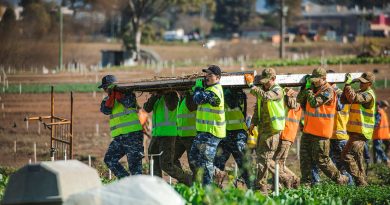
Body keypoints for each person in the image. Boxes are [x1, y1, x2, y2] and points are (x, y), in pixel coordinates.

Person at [297, 67, 348, 186]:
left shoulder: (328, 91)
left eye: (316, 80)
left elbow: (314, 103)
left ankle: (340, 179)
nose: (314, 82)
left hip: (321, 133)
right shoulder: (312, 89)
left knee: (322, 161)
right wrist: (304, 88)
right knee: (305, 159)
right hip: (308, 131)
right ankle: (306, 185)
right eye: (312, 79)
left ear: (324, 79)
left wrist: (309, 89)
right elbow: (299, 100)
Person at [245, 68, 286, 193]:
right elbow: (258, 109)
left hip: (272, 131)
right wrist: (253, 123)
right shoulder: (264, 90)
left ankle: (284, 179)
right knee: (261, 159)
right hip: (263, 131)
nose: (264, 84)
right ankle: (263, 187)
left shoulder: (277, 90)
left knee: (264, 159)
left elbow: (267, 97)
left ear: (274, 79)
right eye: (263, 82)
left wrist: (251, 86)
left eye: (267, 81)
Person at [99, 75, 144, 178]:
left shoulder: (128, 94)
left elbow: (128, 103)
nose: (105, 90)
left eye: (106, 88)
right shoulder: (107, 99)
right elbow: (105, 110)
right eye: (105, 89)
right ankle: (127, 182)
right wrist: (112, 95)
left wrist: (118, 93)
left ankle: (138, 189)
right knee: (109, 159)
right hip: (119, 137)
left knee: (135, 167)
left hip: (133, 135)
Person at [144, 91, 192, 185]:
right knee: (153, 159)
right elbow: (146, 108)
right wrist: (155, 96)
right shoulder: (157, 97)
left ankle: (188, 180)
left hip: (168, 134)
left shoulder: (172, 95)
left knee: (166, 165)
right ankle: (156, 184)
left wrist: (164, 94)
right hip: (157, 134)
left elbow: (171, 106)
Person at [189, 65, 225, 185]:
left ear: (218, 78)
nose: (207, 77)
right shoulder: (208, 90)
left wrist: (198, 88)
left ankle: (208, 188)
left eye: (210, 75)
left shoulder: (215, 91)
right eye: (206, 75)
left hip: (212, 132)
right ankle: (217, 173)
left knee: (205, 161)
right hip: (203, 132)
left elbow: (198, 99)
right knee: (193, 157)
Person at [341, 72, 376, 186]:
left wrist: (348, 85)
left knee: (346, 156)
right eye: (360, 81)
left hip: (361, 133)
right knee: (357, 160)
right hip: (355, 132)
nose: (360, 83)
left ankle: (361, 183)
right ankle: (362, 185)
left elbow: (354, 98)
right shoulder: (360, 92)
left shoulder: (368, 95)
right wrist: (347, 86)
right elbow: (344, 99)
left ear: (369, 84)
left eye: (363, 82)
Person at [214, 88, 251, 188]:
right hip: (226, 132)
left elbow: (232, 103)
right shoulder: (228, 93)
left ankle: (253, 189)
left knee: (243, 163)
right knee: (218, 163)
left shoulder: (237, 94)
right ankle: (216, 190)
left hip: (237, 133)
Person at [270, 87, 301, 188]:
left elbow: (291, 106)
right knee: (279, 163)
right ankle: (289, 182)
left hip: (286, 134)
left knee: (276, 163)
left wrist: (288, 95)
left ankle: (293, 179)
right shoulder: (296, 97)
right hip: (287, 134)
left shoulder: (292, 97)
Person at [175, 91, 197, 174]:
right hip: (181, 135)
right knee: (171, 159)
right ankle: (186, 181)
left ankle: (197, 185)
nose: (177, 92)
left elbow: (191, 107)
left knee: (193, 164)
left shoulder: (190, 97)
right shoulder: (180, 100)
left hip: (191, 136)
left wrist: (189, 94)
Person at [373, 100, 390, 165]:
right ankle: (379, 162)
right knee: (377, 148)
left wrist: (371, 128)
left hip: (378, 134)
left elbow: (376, 123)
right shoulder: (382, 113)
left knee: (377, 148)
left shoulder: (379, 112)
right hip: (382, 134)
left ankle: (385, 160)